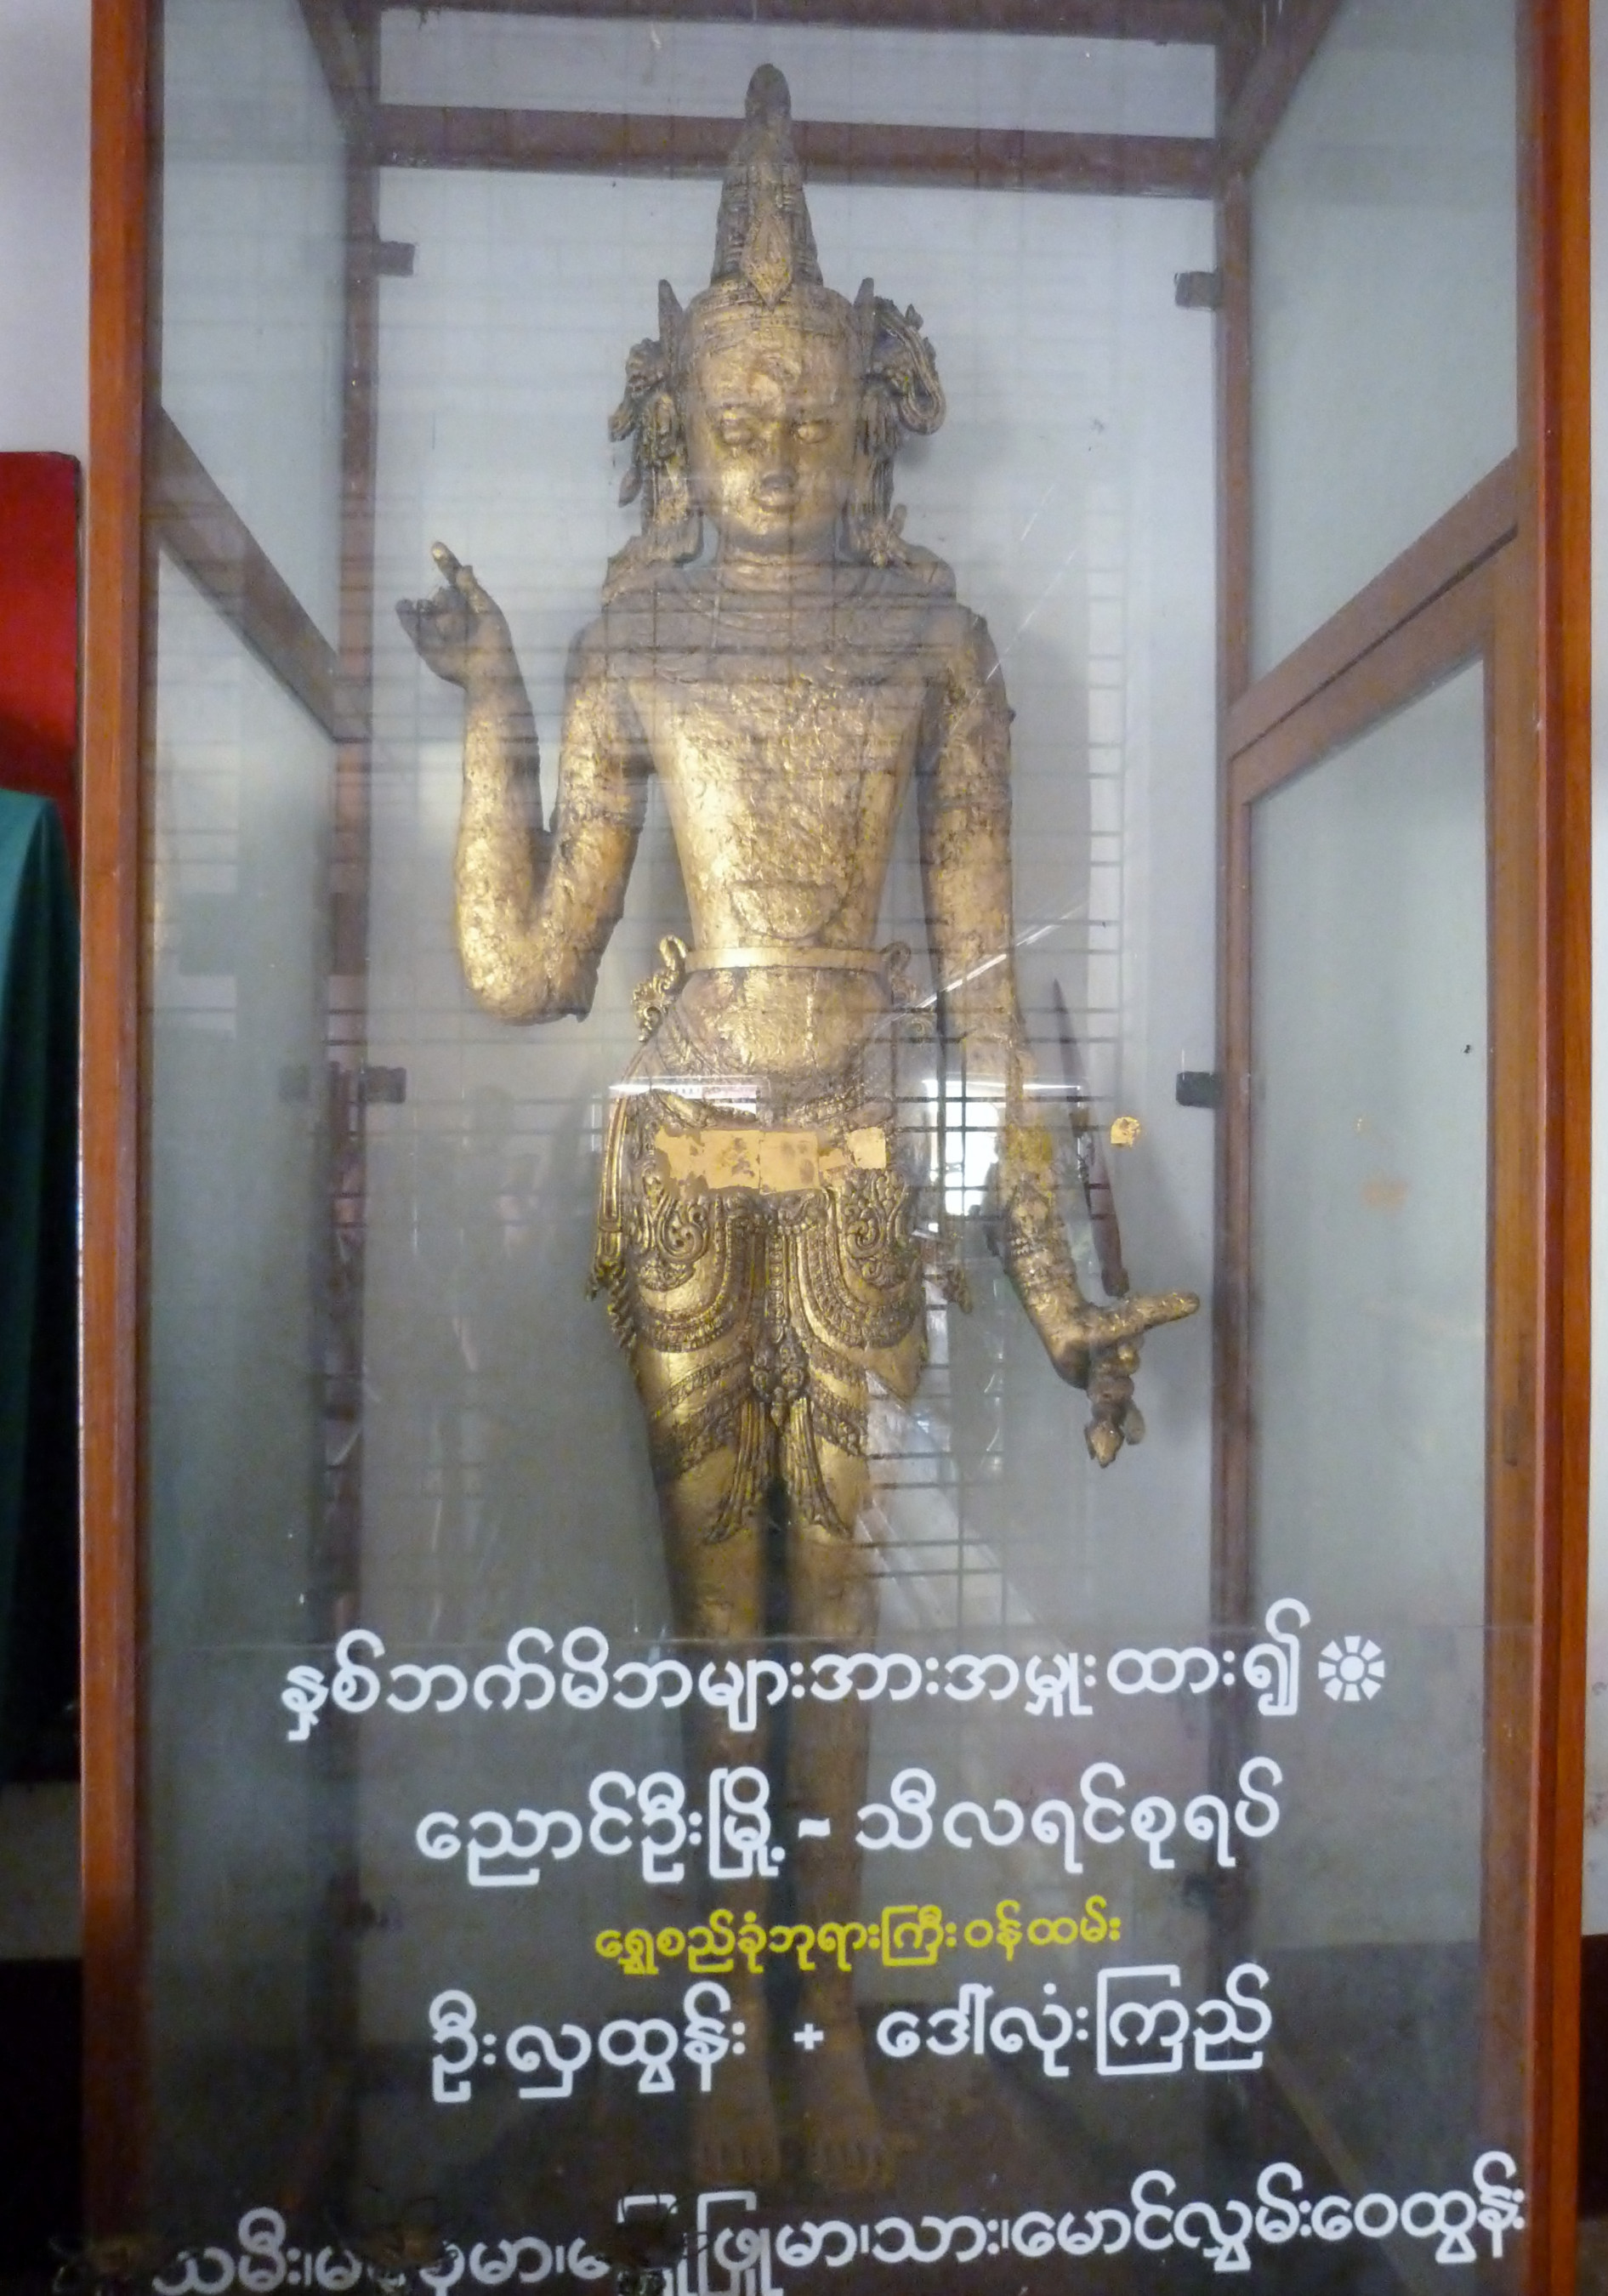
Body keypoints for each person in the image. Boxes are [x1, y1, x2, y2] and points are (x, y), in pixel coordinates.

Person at [399, 64, 1196, 2195]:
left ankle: (820, 2008)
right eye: (734, 419)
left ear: (874, 416)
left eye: (807, 418)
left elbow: (979, 988)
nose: (771, 455)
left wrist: (1055, 1275)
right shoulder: (631, 630)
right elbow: (527, 969)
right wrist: (487, 710)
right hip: (677, 1165)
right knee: (706, 1617)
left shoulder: (936, 643)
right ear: (678, 416)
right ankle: (725, 2001)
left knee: (829, 1606)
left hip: (855, 1160)